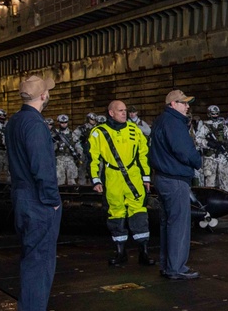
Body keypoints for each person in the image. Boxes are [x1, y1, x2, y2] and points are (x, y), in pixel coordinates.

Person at [5, 75, 62, 311]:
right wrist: (52, 201)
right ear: (42, 96)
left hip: (22, 196)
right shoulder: (35, 125)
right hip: (38, 200)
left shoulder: (15, 121)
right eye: (47, 92)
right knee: (39, 262)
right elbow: (42, 168)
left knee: (33, 258)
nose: (49, 94)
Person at [88, 100, 154, 267]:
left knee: (139, 212)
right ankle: (120, 253)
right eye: (120, 110)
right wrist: (95, 179)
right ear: (111, 113)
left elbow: (143, 154)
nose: (124, 113)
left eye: (125, 110)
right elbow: (92, 157)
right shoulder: (98, 133)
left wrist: (146, 177)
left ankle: (144, 252)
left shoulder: (135, 130)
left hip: (134, 177)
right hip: (112, 178)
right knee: (116, 214)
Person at [149, 90, 203, 280]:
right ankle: (177, 267)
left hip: (162, 178)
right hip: (175, 180)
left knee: (168, 224)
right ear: (173, 104)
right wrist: (198, 160)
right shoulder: (173, 123)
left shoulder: (161, 121)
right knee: (179, 224)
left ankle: (168, 265)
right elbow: (184, 150)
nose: (187, 106)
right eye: (183, 103)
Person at [195, 105, 228, 191]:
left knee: (225, 179)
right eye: (213, 114)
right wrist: (208, 143)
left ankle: (226, 198)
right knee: (210, 180)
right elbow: (198, 139)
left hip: (223, 156)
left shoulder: (223, 126)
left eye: (216, 114)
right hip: (210, 156)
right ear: (209, 114)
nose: (215, 115)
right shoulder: (204, 126)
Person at [52, 114, 81, 185]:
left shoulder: (72, 134)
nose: (64, 124)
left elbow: (78, 145)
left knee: (72, 179)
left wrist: (79, 153)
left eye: (65, 122)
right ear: (59, 122)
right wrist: (55, 141)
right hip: (59, 158)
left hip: (70, 158)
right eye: (62, 122)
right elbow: (50, 148)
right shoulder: (55, 134)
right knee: (59, 179)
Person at [75, 112, 98, 185]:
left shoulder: (98, 128)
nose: (93, 121)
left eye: (94, 120)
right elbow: (75, 139)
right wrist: (79, 149)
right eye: (91, 119)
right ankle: (82, 185)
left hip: (95, 151)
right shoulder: (82, 128)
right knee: (82, 169)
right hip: (84, 151)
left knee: (96, 169)